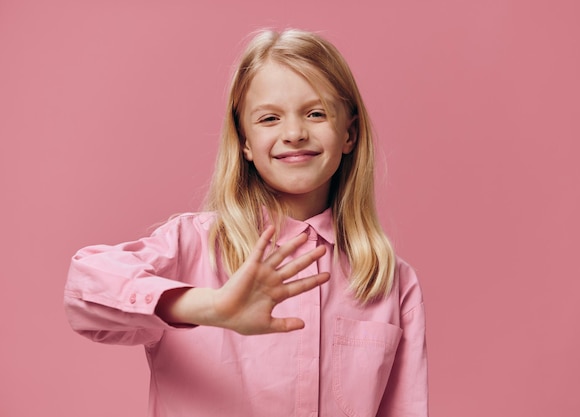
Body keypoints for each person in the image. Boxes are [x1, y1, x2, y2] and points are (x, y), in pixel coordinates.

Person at [64, 28, 428, 417]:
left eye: (316, 112)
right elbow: (83, 291)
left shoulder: (390, 282)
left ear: (349, 134)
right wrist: (208, 306)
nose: (294, 133)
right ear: (245, 142)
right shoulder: (192, 245)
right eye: (269, 118)